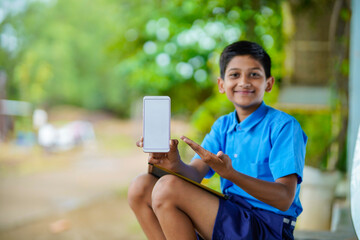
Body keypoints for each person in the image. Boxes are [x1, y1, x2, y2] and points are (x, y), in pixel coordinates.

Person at [128, 40, 307, 240]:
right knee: (141, 187)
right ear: (222, 84)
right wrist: (174, 163)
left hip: (268, 227)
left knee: (167, 188)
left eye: (254, 74)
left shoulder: (284, 126)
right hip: (232, 216)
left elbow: (284, 199)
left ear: (269, 83)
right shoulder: (223, 126)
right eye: (234, 75)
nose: (244, 81)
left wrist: (231, 174)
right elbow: (194, 173)